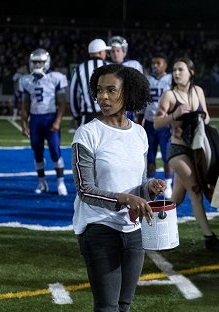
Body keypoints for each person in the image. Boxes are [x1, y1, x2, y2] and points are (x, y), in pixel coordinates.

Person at [71, 64, 166, 311]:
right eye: (100, 90)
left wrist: (150, 188)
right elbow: (85, 189)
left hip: (134, 230)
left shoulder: (140, 134)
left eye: (111, 90)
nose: (103, 96)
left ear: (129, 92)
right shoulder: (87, 133)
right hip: (99, 228)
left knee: (124, 305)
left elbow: (139, 183)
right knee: (107, 308)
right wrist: (124, 198)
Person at [154, 57, 219, 252]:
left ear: (191, 72)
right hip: (177, 150)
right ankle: (209, 238)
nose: (176, 73)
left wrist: (200, 119)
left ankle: (148, 225)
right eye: (175, 70)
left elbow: (207, 115)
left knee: (177, 199)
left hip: (196, 150)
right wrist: (174, 115)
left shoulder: (198, 92)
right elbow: (157, 123)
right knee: (195, 190)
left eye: (181, 69)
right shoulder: (169, 96)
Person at [19, 48, 68, 196]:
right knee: (37, 152)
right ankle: (42, 182)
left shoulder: (55, 77)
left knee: (55, 150)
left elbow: (62, 103)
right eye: (35, 62)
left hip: (50, 118)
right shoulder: (26, 80)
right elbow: (25, 105)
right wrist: (24, 124)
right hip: (35, 120)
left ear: (46, 63)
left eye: (40, 62)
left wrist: (58, 120)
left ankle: (60, 182)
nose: (37, 65)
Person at [144, 53, 173, 199]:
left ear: (165, 65)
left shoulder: (170, 80)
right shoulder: (147, 79)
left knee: (168, 156)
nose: (155, 65)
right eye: (153, 63)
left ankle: (168, 183)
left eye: (158, 63)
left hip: (165, 123)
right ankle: (150, 184)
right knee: (150, 156)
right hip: (149, 122)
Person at [70, 38, 111, 127]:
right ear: (100, 53)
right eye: (104, 51)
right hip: (109, 116)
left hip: (88, 117)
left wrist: (76, 116)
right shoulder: (111, 67)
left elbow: (73, 95)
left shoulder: (79, 69)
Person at [108, 35, 143, 122]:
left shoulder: (134, 65)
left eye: (118, 51)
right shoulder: (105, 66)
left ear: (124, 51)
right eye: (113, 51)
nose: (115, 53)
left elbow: (140, 87)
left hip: (129, 107)